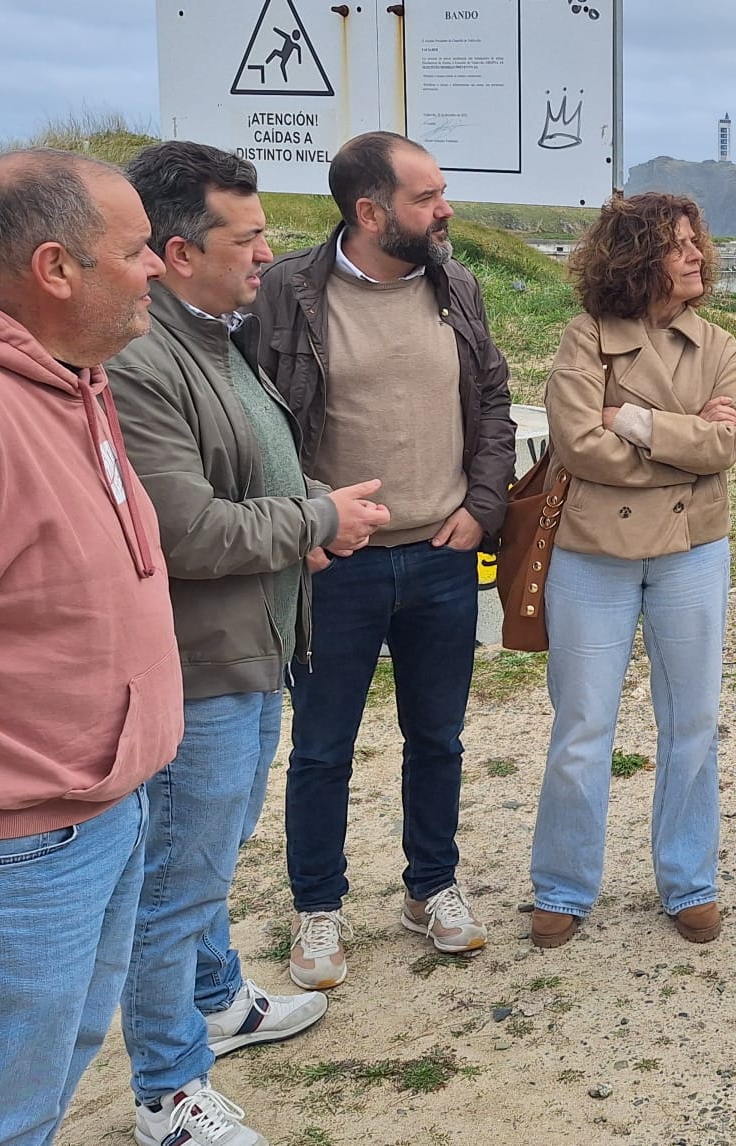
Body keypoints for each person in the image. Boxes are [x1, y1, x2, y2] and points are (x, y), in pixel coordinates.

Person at [108, 143, 394, 1144]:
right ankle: (168, 1094)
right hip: (201, 662)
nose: (268, 253)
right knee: (177, 877)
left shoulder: (207, 333)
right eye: (250, 236)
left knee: (210, 853)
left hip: (249, 641)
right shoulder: (143, 361)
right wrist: (315, 523)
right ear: (180, 251)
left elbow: (241, 483)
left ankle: (218, 998)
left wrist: (294, 529)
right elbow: (184, 531)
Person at [0, 150, 180, 1144]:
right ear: (57, 269)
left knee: (38, 1081)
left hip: (95, 808)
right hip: (7, 849)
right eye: (139, 250)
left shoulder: (72, 377)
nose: (158, 267)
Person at [254, 132, 516, 989]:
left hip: (442, 558)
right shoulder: (287, 294)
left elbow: (492, 400)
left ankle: (431, 887)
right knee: (324, 748)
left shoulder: (457, 284)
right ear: (370, 213)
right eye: (425, 197)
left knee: (436, 738)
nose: (446, 210)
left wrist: (483, 508)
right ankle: (317, 910)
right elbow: (259, 427)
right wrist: (306, 526)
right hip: (339, 567)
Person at [528, 194, 736, 949]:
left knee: (691, 722)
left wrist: (641, 423)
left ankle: (689, 880)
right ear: (634, 258)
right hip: (593, 553)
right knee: (583, 724)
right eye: (676, 244)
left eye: (697, 241)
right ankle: (561, 883)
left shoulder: (719, 345)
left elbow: (728, 448)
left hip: (694, 551)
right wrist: (682, 447)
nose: (695, 255)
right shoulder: (585, 336)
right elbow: (577, 445)